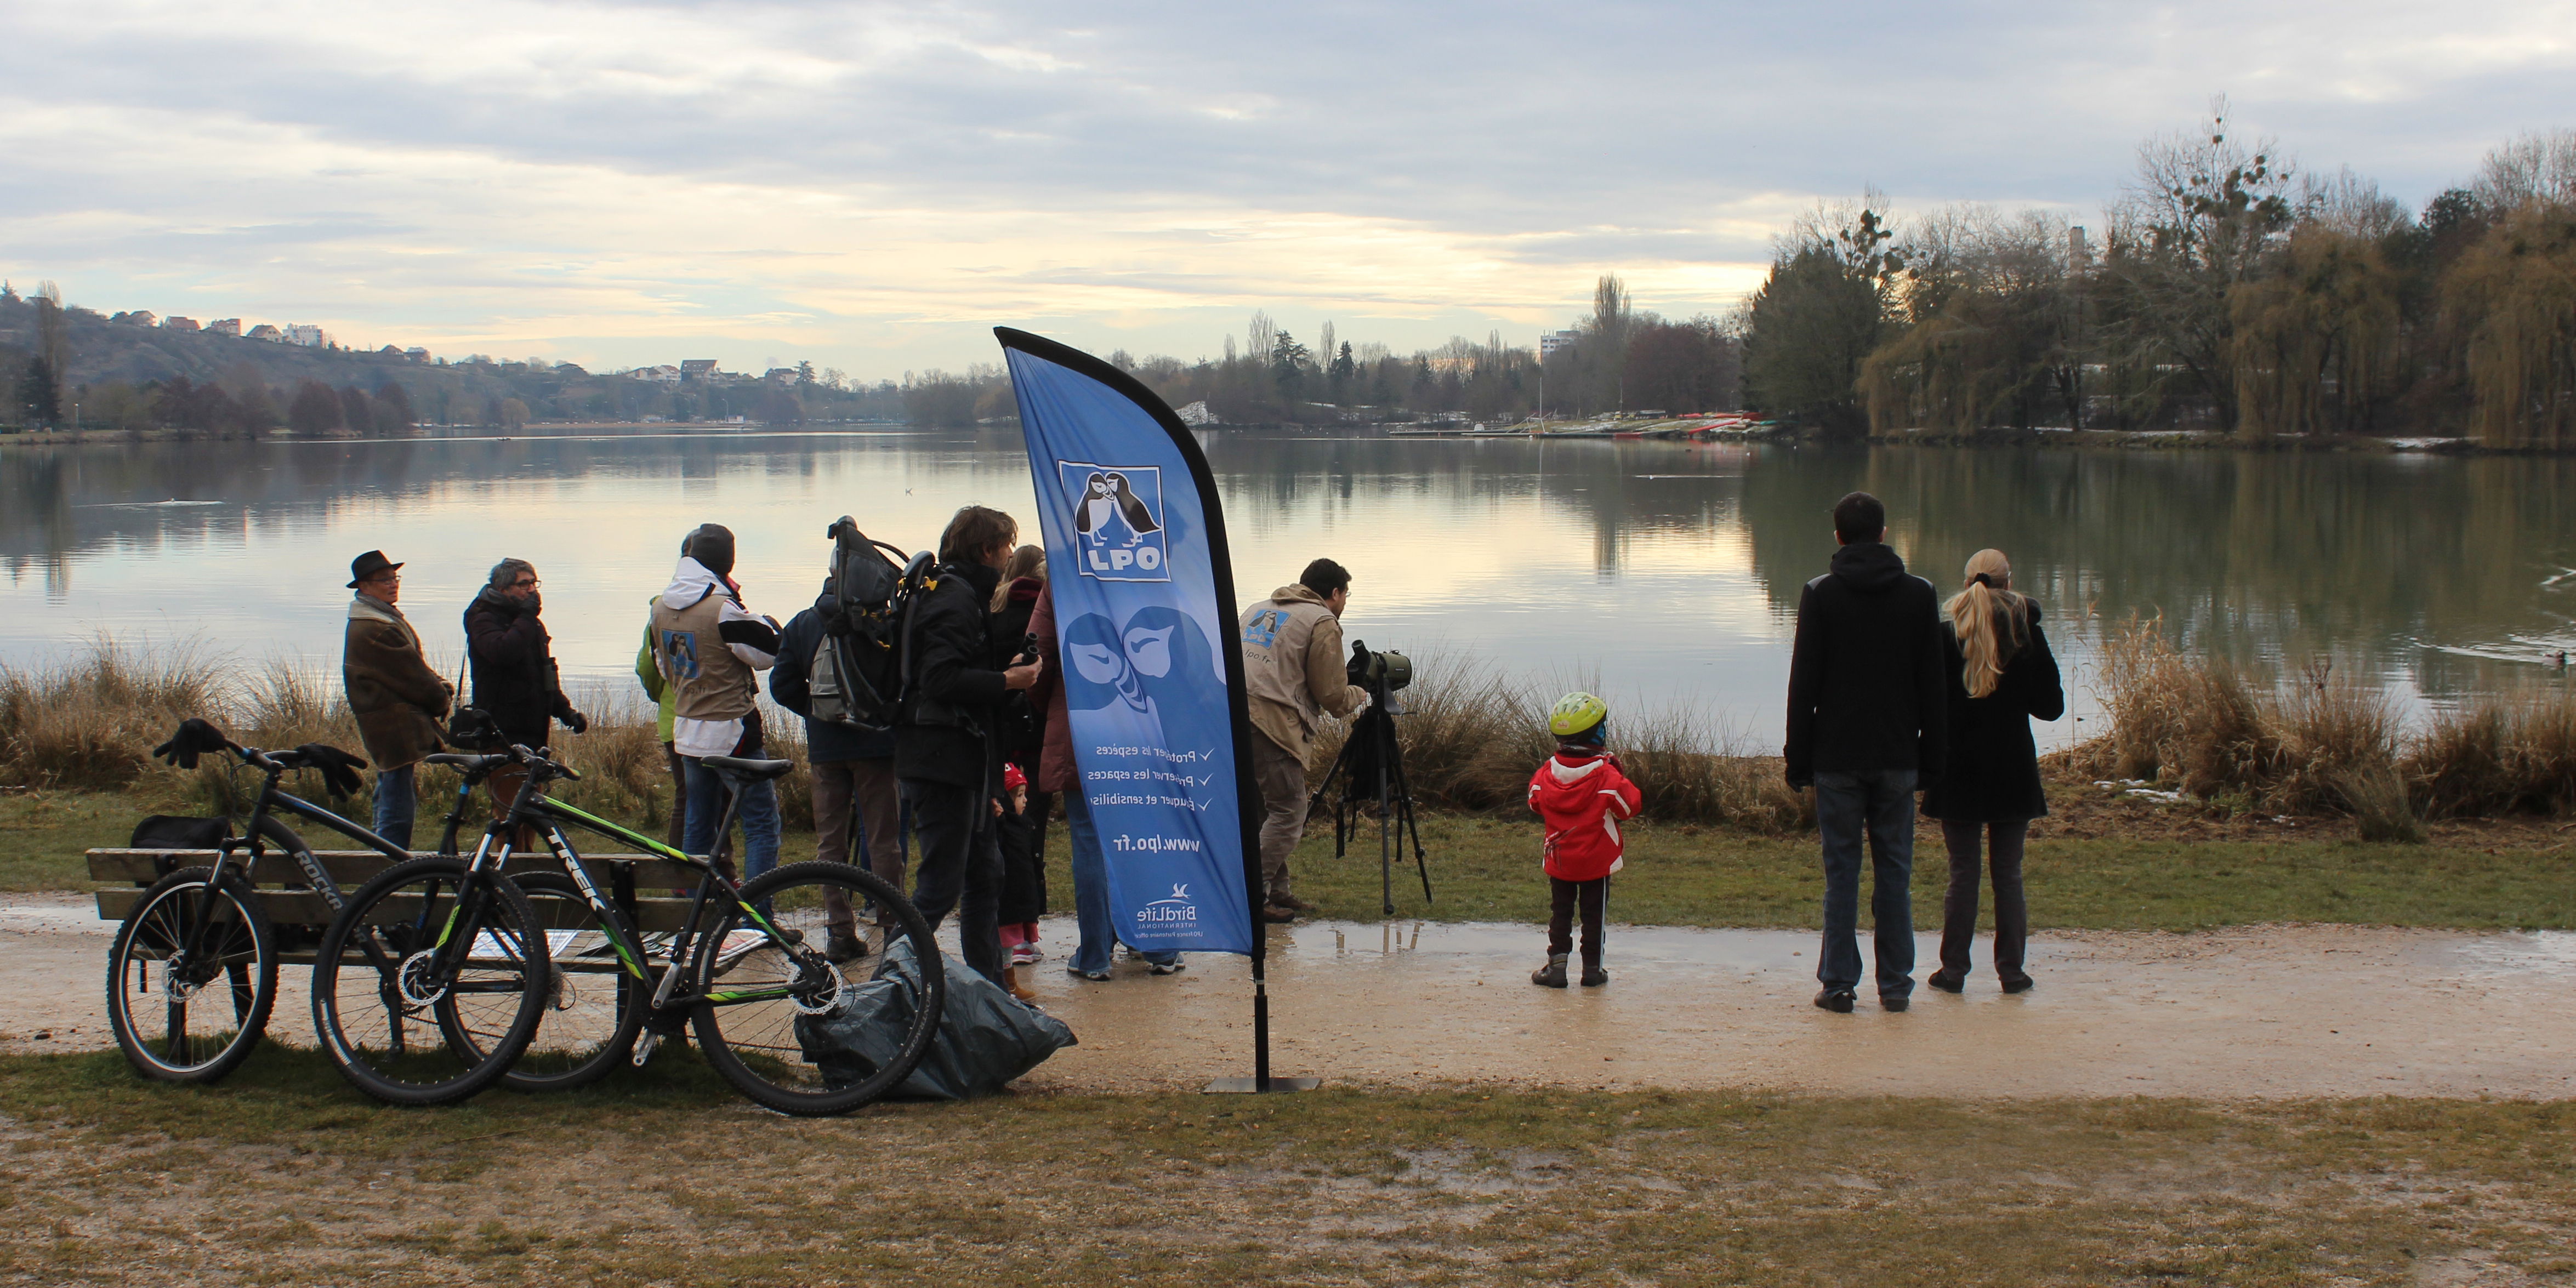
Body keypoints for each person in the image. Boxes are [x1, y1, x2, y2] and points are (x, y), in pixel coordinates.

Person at [1784, 491, 1947, 1015]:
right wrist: (1934, 758)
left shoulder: (1820, 594)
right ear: (1882, 533)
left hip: (1836, 757)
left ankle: (1837, 983)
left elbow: (1803, 685)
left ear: (1837, 536)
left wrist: (1797, 757)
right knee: (1894, 874)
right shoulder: (1920, 595)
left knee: (1841, 874)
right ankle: (1895, 984)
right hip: (1899, 753)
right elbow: (1932, 686)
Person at [896, 505, 1042, 987]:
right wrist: (1006, 680)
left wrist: (1005, 669)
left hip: (966, 762)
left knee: (986, 877)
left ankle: (990, 992)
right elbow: (938, 679)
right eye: (1004, 548)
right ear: (986, 550)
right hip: (943, 764)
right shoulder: (954, 598)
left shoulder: (958, 592)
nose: (1006, 557)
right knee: (938, 888)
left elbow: (957, 668)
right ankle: (884, 986)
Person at [1922, 549, 2064, 995]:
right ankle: (2011, 972)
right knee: (2009, 874)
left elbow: (1925, 706)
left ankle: (1952, 972)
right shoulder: (2025, 637)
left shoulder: (1944, 637)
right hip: (2011, 768)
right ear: (2009, 583)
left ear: (1967, 584)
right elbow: (2050, 708)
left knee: (1962, 873)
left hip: (1957, 768)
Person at [1032, 581, 1185, 981]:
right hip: (1148, 728)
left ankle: (1095, 954)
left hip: (1084, 723)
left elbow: (1039, 655)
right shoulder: (1153, 574)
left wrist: (1053, 704)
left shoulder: (1062, 580)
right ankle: (1159, 946)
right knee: (1149, 833)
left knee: (1089, 841)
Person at [771, 564, 905, 965]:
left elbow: (781, 686)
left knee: (829, 843)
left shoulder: (803, 623)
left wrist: (817, 714)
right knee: (883, 839)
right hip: (876, 745)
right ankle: (893, 929)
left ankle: (839, 933)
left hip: (826, 748)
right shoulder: (882, 620)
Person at [1237, 558, 1371, 922]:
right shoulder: (1322, 621)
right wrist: (1358, 694)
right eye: (1346, 595)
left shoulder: (1256, 609)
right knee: (1289, 810)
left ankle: (1276, 893)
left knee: (1265, 810)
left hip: (1231, 717)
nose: (1345, 603)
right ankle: (1248, 895)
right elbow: (1330, 694)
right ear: (1334, 593)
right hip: (1268, 724)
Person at [651, 524, 783, 886]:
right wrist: (767, 623)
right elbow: (766, 655)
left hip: (687, 729)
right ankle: (758, 918)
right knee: (761, 823)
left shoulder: (660, 608)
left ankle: (695, 909)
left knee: (699, 821)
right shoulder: (723, 610)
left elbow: (663, 666)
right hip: (730, 730)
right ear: (727, 561)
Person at [1526, 692, 1640, 989]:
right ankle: (1592, 969)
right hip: (1596, 860)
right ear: (1598, 733)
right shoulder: (1607, 775)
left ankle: (1556, 967)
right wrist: (1615, 769)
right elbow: (1630, 808)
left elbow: (1534, 802)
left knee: (1560, 913)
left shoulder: (1546, 772)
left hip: (1560, 858)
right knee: (1594, 916)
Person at [340, 550, 450, 850]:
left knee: (391, 784)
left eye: (394, 577)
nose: (393, 584)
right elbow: (411, 676)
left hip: (386, 720)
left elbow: (410, 665)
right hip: (391, 722)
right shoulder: (375, 627)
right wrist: (441, 698)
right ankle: (391, 860)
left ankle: (381, 854)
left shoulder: (376, 618)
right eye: (384, 579)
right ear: (364, 585)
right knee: (398, 795)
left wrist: (437, 683)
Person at [465, 557, 587, 827]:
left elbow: (543, 672)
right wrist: (526, 616)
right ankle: (505, 865)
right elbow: (503, 652)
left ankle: (526, 862)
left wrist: (565, 711)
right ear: (504, 587)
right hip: (502, 731)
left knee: (532, 811)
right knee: (509, 812)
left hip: (533, 732)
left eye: (534, 583)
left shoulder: (529, 622)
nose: (532, 590)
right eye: (524, 584)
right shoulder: (483, 617)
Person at [989, 544, 1052, 932]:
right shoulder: (1041, 613)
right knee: (1034, 825)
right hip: (1038, 733)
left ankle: (1005, 921)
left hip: (1000, 734)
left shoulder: (992, 608)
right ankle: (1031, 916)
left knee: (1002, 827)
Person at [635, 536, 696, 850]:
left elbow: (647, 667)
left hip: (671, 718)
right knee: (698, 798)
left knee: (685, 795)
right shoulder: (716, 605)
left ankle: (684, 876)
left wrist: (662, 694)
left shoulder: (660, 611)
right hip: (697, 716)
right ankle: (689, 874)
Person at [994, 763, 1043, 999]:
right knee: (1004, 943)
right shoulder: (1002, 828)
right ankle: (1007, 983)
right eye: (1020, 796)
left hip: (1020, 896)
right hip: (1008, 899)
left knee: (1007, 944)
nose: (1025, 801)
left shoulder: (1024, 825)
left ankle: (1008, 981)